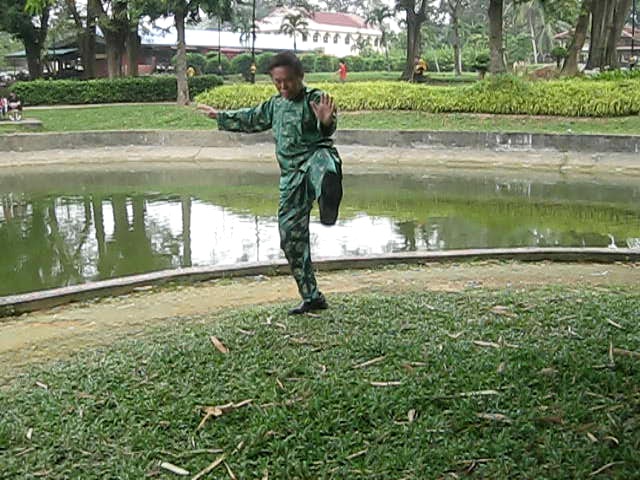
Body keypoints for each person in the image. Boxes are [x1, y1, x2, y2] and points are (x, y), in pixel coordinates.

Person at [197, 52, 343, 315]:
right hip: (291, 177)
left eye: (288, 81)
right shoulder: (275, 106)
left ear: (300, 77)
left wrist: (326, 121)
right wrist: (219, 116)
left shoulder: (314, 98)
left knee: (322, 162)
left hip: (314, 162)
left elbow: (328, 123)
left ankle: (327, 195)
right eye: (278, 82)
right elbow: (250, 118)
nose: (283, 86)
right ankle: (312, 297)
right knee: (290, 237)